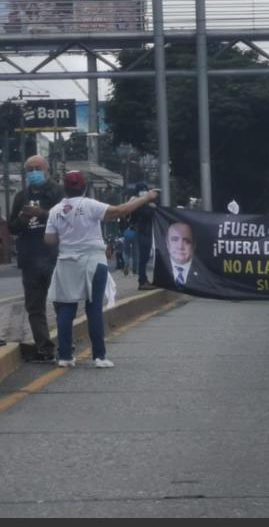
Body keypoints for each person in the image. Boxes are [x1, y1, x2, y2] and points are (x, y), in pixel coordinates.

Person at [44, 171, 159, 368]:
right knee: (93, 307)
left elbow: (49, 240)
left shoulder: (55, 210)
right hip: (93, 261)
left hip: (66, 262)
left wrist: (67, 234)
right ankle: (99, 357)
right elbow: (120, 211)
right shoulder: (90, 205)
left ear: (64, 188)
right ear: (85, 187)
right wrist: (146, 197)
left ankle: (64, 356)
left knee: (66, 308)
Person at [7, 155, 63, 363]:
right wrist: (22, 218)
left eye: (37, 168)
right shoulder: (22, 196)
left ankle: (66, 345)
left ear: (47, 170)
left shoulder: (57, 192)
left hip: (53, 256)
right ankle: (44, 348)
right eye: (29, 169)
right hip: (30, 258)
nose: (33, 173)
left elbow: (67, 219)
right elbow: (12, 227)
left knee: (61, 302)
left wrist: (43, 213)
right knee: (34, 306)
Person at [130, 183, 157, 291]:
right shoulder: (137, 203)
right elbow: (148, 213)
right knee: (143, 258)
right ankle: (142, 281)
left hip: (146, 232)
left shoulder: (144, 203)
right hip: (142, 233)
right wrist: (150, 205)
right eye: (143, 190)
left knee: (144, 258)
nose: (144, 192)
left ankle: (144, 280)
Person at [164, 222, 200, 287]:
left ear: (194, 245)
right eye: (175, 239)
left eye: (187, 241)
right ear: (167, 244)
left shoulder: (205, 274)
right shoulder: (159, 269)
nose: (180, 247)